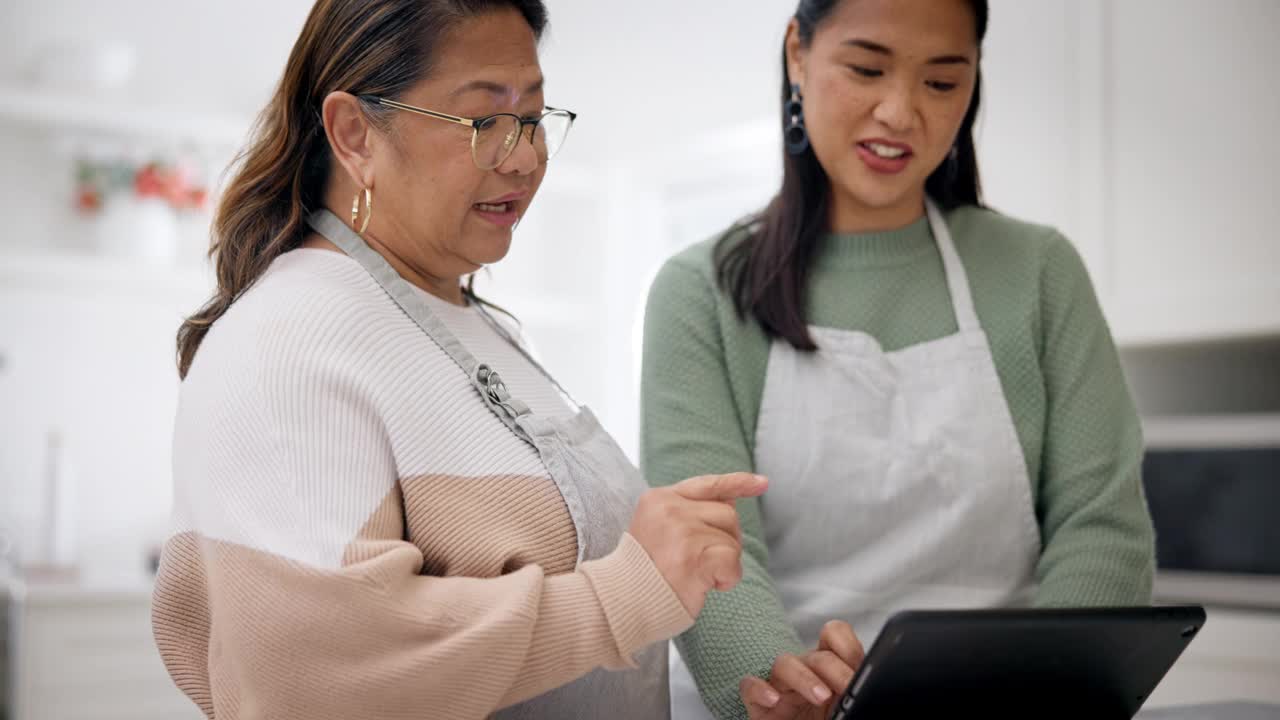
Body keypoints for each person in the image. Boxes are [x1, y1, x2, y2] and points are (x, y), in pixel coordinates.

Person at [152, 1, 767, 718]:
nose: (527, 157)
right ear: (354, 134)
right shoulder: (290, 336)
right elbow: (314, 675)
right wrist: (625, 593)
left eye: (534, 120)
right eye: (487, 122)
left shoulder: (480, 329)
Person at [640, 1, 1157, 718]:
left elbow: (1102, 524)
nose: (900, 112)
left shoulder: (1037, 272)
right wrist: (783, 692)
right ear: (798, 53)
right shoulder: (701, 291)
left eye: (942, 83)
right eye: (866, 68)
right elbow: (708, 549)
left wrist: (1053, 691)